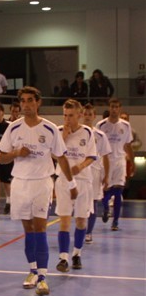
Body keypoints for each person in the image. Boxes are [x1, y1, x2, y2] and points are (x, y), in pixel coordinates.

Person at [0, 86, 77, 296]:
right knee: (28, 230)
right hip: (20, 184)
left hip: (42, 182)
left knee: (40, 227)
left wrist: (71, 184)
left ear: (38, 102)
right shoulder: (13, 128)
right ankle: (32, 270)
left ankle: (43, 277)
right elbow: (1, 157)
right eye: (22, 101)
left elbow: (61, 157)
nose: (26, 104)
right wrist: (16, 152)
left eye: (30, 100)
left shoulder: (50, 129)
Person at [54, 100, 98, 272]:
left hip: (83, 180)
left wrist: (80, 166)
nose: (67, 119)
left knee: (80, 220)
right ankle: (63, 258)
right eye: (65, 115)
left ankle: (77, 254)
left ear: (79, 115)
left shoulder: (87, 132)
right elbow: (52, 155)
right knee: (64, 219)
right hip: (63, 180)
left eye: (70, 116)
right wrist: (63, 137)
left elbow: (92, 156)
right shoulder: (58, 132)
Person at [95, 98, 134, 231]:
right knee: (105, 193)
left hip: (120, 162)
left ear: (120, 108)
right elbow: (95, 145)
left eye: (117, 107)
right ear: (109, 107)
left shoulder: (126, 125)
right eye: (112, 106)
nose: (114, 109)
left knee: (118, 192)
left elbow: (127, 145)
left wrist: (132, 162)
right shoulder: (101, 125)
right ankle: (106, 208)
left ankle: (115, 222)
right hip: (105, 162)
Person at [82, 103, 111, 243]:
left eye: (90, 114)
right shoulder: (76, 132)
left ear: (94, 116)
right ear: (81, 115)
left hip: (95, 172)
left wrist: (107, 176)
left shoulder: (100, 135)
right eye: (85, 114)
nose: (87, 117)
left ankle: (88, 232)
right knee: (79, 203)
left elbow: (105, 156)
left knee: (93, 202)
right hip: (79, 171)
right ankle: (79, 228)